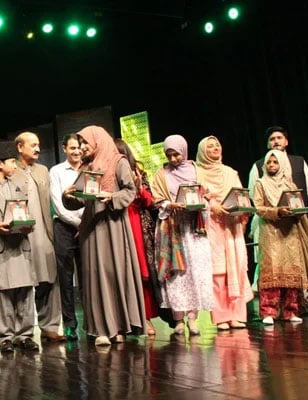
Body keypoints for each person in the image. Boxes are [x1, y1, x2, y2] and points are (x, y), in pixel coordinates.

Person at [63, 126, 146, 345]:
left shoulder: (119, 162)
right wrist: (68, 196)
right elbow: (80, 198)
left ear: (98, 140)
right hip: (92, 226)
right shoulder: (87, 167)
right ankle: (101, 329)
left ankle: (119, 326)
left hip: (114, 223)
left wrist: (111, 197)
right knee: (94, 275)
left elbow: (130, 191)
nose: (82, 147)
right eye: (79, 143)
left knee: (115, 272)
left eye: (85, 143)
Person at [0, 141, 39, 353]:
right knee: (2, 295)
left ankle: (25, 335)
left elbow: (23, 213)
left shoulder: (17, 186)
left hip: (19, 245)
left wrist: (26, 225)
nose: (15, 165)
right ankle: (6, 337)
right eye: (12, 162)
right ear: (0, 164)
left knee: (24, 293)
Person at [151, 135, 214, 336]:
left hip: (194, 229)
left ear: (184, 151)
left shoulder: (197, 170)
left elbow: (206, 195)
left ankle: (193, 319)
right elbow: (157, 199)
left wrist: (202, 201)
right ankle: (178, 320)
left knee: (195, 272)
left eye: (176, 154)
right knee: (176, 274)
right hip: (173, 228)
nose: (173, 159)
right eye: (169, 155)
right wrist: (170, 205)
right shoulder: (161, 174)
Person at [252, 150, 308, 325]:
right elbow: (258, 207)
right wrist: (277, 211)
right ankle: (268, 312)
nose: (271, 166)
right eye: (268, 163)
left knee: (291, 271)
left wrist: (297, 212)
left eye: (275, 163)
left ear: (283, 164)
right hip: (270, 231)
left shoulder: (290, 184)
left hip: (291, 231)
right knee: (273, 271)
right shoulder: (260, 183)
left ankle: (290, 311)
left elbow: (297, 203)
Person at [12, 132, 65, 343]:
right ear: (19, 147)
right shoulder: (10, 169)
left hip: (44, 233)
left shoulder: (43, 171)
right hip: (20, 237)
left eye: (39, 145)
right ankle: (22, 332)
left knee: (49, 280)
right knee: (22, 284)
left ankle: (49, 326)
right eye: (33, 145)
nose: (37, 149)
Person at [196, 136, 253, 331]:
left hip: (232, 224)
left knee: (235, 268)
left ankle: (237, 315)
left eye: (217, 145)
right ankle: (221, 317)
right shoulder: (198, 173)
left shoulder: (230, 172)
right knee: (218, 271)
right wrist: (212, 206)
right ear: (203, 151)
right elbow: (195, 197)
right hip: (212, 224)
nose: (215, 148)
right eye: (210, 146)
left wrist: (242, 209)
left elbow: (241, 195)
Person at [248, 126, 308, 292]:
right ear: (268, 144)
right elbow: (254, 194)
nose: (276, 141)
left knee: (297, 258)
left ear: (286, 141)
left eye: (279, 138)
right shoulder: (259, 165)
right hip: (269, 222)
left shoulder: (299, 162)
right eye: (272, 139)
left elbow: (307, 189)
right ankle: (268, 303)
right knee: (270, 260)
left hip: (294, 220)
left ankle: (297, 303)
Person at [114, 138, 162, 336]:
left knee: (142, 272)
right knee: (121, 273)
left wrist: (139, 188)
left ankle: (145, 318)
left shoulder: (139, 172)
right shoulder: (109, 174)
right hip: (116, 223)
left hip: (136, 224)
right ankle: (124, 320)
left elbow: (151, 201)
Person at [48, 134, 83, 341]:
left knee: (88, 276)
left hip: (87, 227)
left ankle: (93, 324)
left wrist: (85, 223)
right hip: (64, 227)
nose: (77, 151)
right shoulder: (57, 171)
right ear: (64, 149)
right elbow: (58, 203)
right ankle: (70, 324)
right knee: (66, 277)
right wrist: (78, 223)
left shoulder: (89, 169)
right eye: (72, 148)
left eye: (79, 147)